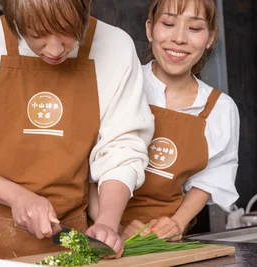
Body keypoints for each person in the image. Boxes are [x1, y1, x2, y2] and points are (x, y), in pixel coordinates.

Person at [0, 0, 154, 259]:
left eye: (70, 32)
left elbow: (123, 147)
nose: (55, 50)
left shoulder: (115, 47)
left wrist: (106, 221)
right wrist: (16, 197)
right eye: (37, 35)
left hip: (70, 244)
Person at [89, 0, 239, 241]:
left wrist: (176, 223)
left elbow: (213, 177)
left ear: (211, 38)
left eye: (195, 28)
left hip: (166, 242)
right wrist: (111, 227)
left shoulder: (219, 108)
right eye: (168, 23)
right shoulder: (119, 85)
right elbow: (84, 170)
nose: (179, 38)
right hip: (101, 234)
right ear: (150, 29)